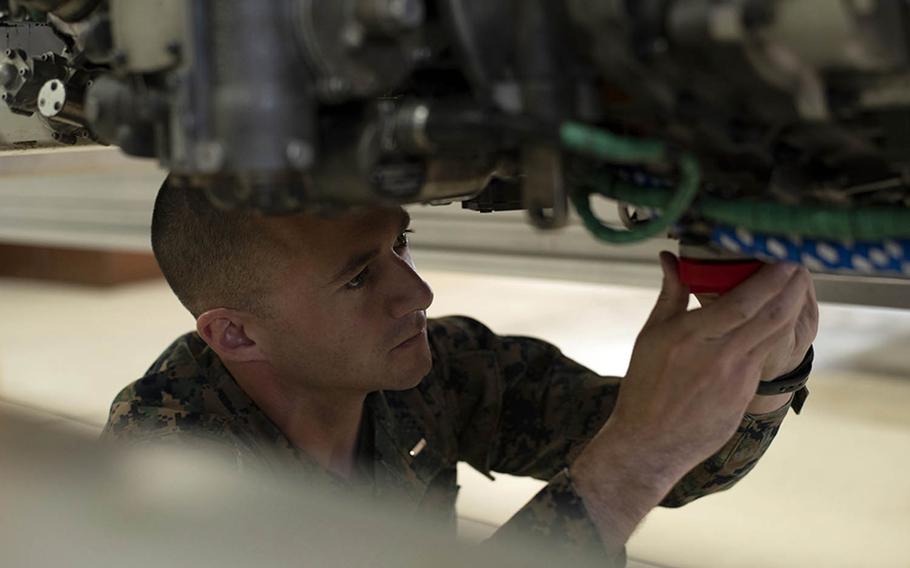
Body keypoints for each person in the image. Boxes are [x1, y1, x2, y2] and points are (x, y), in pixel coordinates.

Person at [103, 177, 818, 565]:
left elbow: (672, 456)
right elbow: (634, 459)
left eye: (400, 244)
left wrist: (765, 377)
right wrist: (624, 468)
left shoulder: (436, 368)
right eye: (357, 279)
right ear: (235, 333)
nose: (417, 294)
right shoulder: (168, 461)